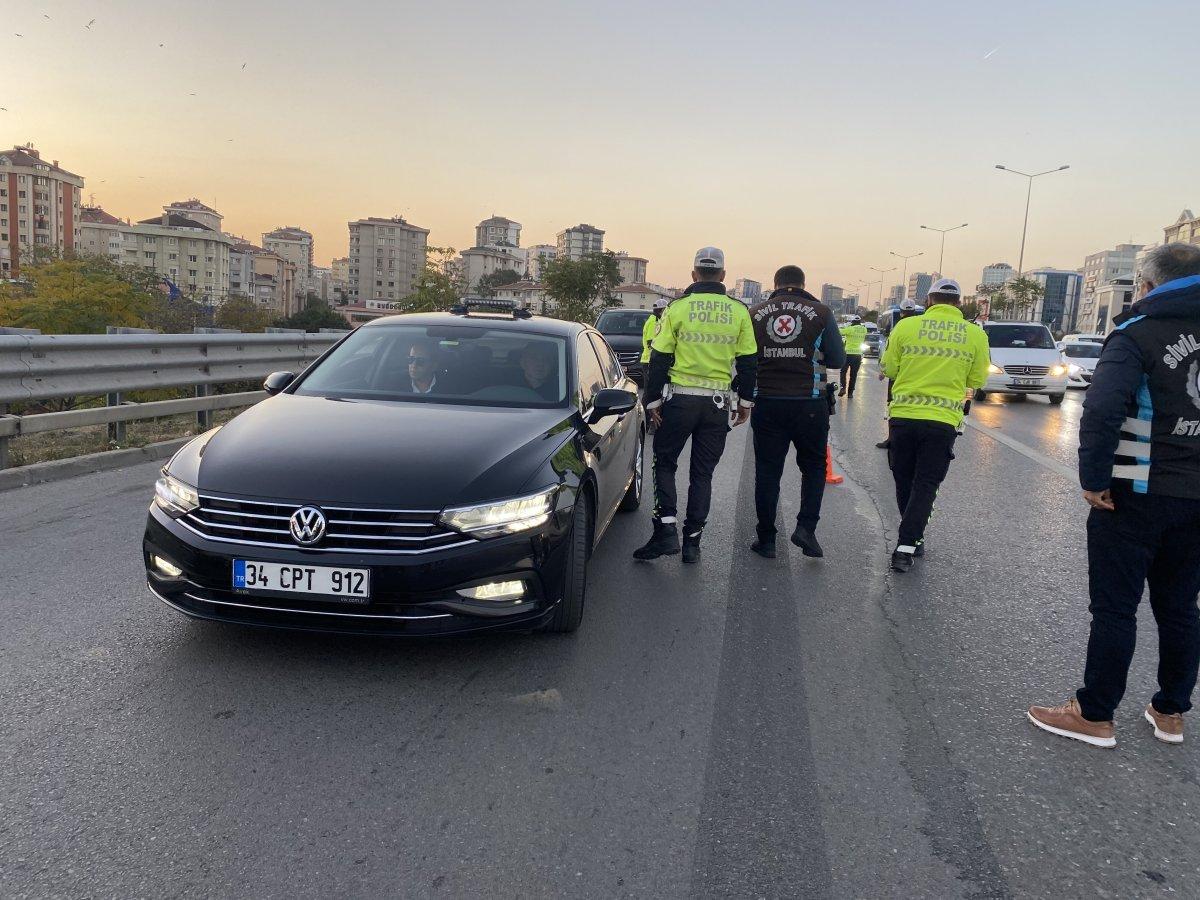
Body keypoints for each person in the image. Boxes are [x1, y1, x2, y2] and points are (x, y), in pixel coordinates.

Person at [1028, 243, 1200, 749]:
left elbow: (1103, 409)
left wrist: (1094, 478)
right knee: (1180, 607)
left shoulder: (1137, 332)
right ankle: (1171, 711)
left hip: (1135, 493)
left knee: (1115, 608)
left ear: (1147, 285)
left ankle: (1095, 714)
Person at [634, 247, 758, 564]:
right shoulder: (739, 311)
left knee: (664, 463)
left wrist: (653, 401)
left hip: (679, 402)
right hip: (717, 405)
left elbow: (659, 358)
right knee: (702, 475)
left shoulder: (677, 308)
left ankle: (666, 531)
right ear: (723, 275)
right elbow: (748, 362)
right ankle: (692, 543)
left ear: (693, 274)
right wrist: (745, 402)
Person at [879, 278, 989, 572]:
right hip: (942, 421)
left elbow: (889, 367)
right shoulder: (975, 334)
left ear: (928, 301)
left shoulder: (906, 326)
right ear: (959, 303)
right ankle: (908, 543)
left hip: (903, 417)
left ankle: (910, 538)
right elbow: (977, 379)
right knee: (926, 484)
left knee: (903, 479)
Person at [747, 265, 845, 559]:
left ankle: (766, 539)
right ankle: (806, 529)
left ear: (775, 284)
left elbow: (744, 358)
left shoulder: (755, 314)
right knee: (814, 467)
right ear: (803, 284)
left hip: (767, 402)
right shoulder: (822, 312)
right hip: (810, 404)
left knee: (767, 472)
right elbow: (837, 359)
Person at [876, 299, 924, 450]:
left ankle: (893, 439)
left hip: (899, 376)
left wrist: (884, 371)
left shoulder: (899, 327)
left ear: (901, 312)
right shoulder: (922, 327)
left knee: (893, 405)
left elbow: (890, 353)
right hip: (918, 374)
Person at [839, 315, 867, 398]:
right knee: (853, 375)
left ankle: (843, 388)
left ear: (852, 322)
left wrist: (847, 326)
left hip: (848, 354)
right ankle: (850, 393)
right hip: (858, 355)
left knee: (843, 371)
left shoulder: (850, 329)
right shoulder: (864, 329)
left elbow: (840, 332)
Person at [641, 297, 670, 365]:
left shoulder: (656, 320)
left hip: (651, 359)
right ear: (662, 310)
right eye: (666, 310)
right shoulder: (654, 322)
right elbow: (651, 342)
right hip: (650, 360)